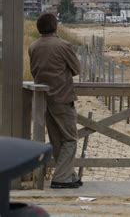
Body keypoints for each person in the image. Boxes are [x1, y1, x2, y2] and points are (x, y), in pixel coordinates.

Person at [28, 13, 82, 189]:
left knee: (57, 139)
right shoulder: (64, 45)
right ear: (55, 26)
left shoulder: (33, 46)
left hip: (43, 99)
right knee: (70, 139)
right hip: (62, 97)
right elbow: (76, 69)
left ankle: (69, 175)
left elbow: (34, 71)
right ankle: (61, 178)